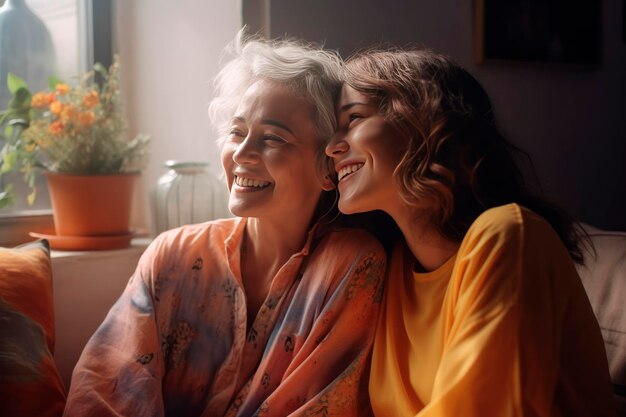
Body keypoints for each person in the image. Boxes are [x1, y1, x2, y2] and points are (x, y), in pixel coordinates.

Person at [63, 32, 386, 417]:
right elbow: (103, 390)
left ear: (326, 166)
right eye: (236, 132)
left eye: (272, 138)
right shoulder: (173, 255)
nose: (242, 153)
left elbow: (321, 405)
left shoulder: (353, 266)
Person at [325, 48, 616, 416]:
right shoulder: (386, 267)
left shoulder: (508, 236)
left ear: (422, 121)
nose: (331, 147)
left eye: (353, 119)